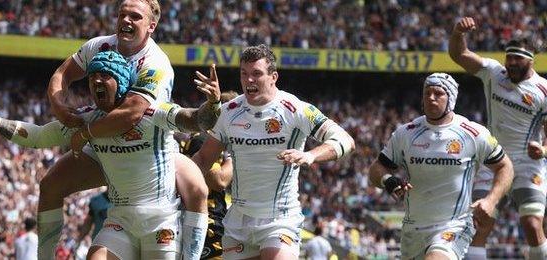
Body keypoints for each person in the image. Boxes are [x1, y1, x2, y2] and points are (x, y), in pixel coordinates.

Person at [0, 50, 221, 259]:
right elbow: (37, 136)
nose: (96, 80)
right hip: (120, 219)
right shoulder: (87, 119)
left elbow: (195, 120)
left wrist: (213, 104)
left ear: (121, 81)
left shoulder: (152, 113)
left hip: (160, 219)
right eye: (92, 76)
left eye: (105, 76)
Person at [42, 1, 209, 258]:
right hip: (104, 145)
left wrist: (84, 133)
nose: (126, 20)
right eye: (122, 14)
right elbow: (62, 74)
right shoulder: (98, 46)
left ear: (151, 25)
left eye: (135, 16)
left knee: (198, 190)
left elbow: (131, 113)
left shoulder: (156, 63)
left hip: (144, 150)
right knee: (50, 185)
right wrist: (59, 106)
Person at [192, 44, 355, 259]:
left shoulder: (295, 109)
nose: (249, 80)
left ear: (273, 77)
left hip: (279, 220)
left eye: (256, 74)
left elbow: (346, 140)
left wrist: (310, 155)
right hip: (238, 222)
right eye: (244, 74)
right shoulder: (229, 112)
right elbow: (203, 158)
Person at [368, 73, 513, 260]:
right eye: (427, 93)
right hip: (413, 229)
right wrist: (388, 180)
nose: (431, 98)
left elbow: (505, 166)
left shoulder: (473, 133)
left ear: (451, 99)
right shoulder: (406, 133)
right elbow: (376, 169)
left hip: (453, 226)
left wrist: (491, 200)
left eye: (438, 93)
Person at [448, 17, 547, 260]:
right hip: (493, 160)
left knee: (533, 225)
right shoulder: (494, 73)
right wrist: (458, 33)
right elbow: (459, 55)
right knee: (478, 224)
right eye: (508, 57)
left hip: (527, 163)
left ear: (530, 60)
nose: (511, 63)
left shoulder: (543, 91)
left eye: (517, 59)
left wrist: (543, 150)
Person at [178, 90, 239, 260]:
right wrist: (234, 155)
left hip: (208, 220)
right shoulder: (202, 141)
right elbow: (218, 180)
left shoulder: (208, 141)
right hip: (207, 222)